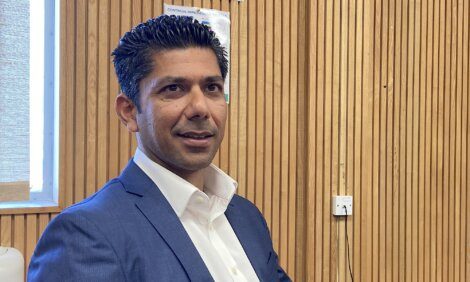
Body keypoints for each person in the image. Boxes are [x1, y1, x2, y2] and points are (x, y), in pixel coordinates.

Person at [28, 15, 290, 282]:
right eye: (174, 88)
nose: (200, 108)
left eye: (212, 88)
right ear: (129, 112)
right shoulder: (86, 235)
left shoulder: (246, 217)